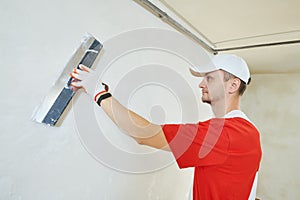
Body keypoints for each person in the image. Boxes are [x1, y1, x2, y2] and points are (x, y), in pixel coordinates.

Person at [70, 53, 262, 200]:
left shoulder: (229, 133)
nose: (201, 84)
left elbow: (144, 134)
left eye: (210, 78)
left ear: (233, 85)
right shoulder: (245, 131)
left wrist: (99, 92)